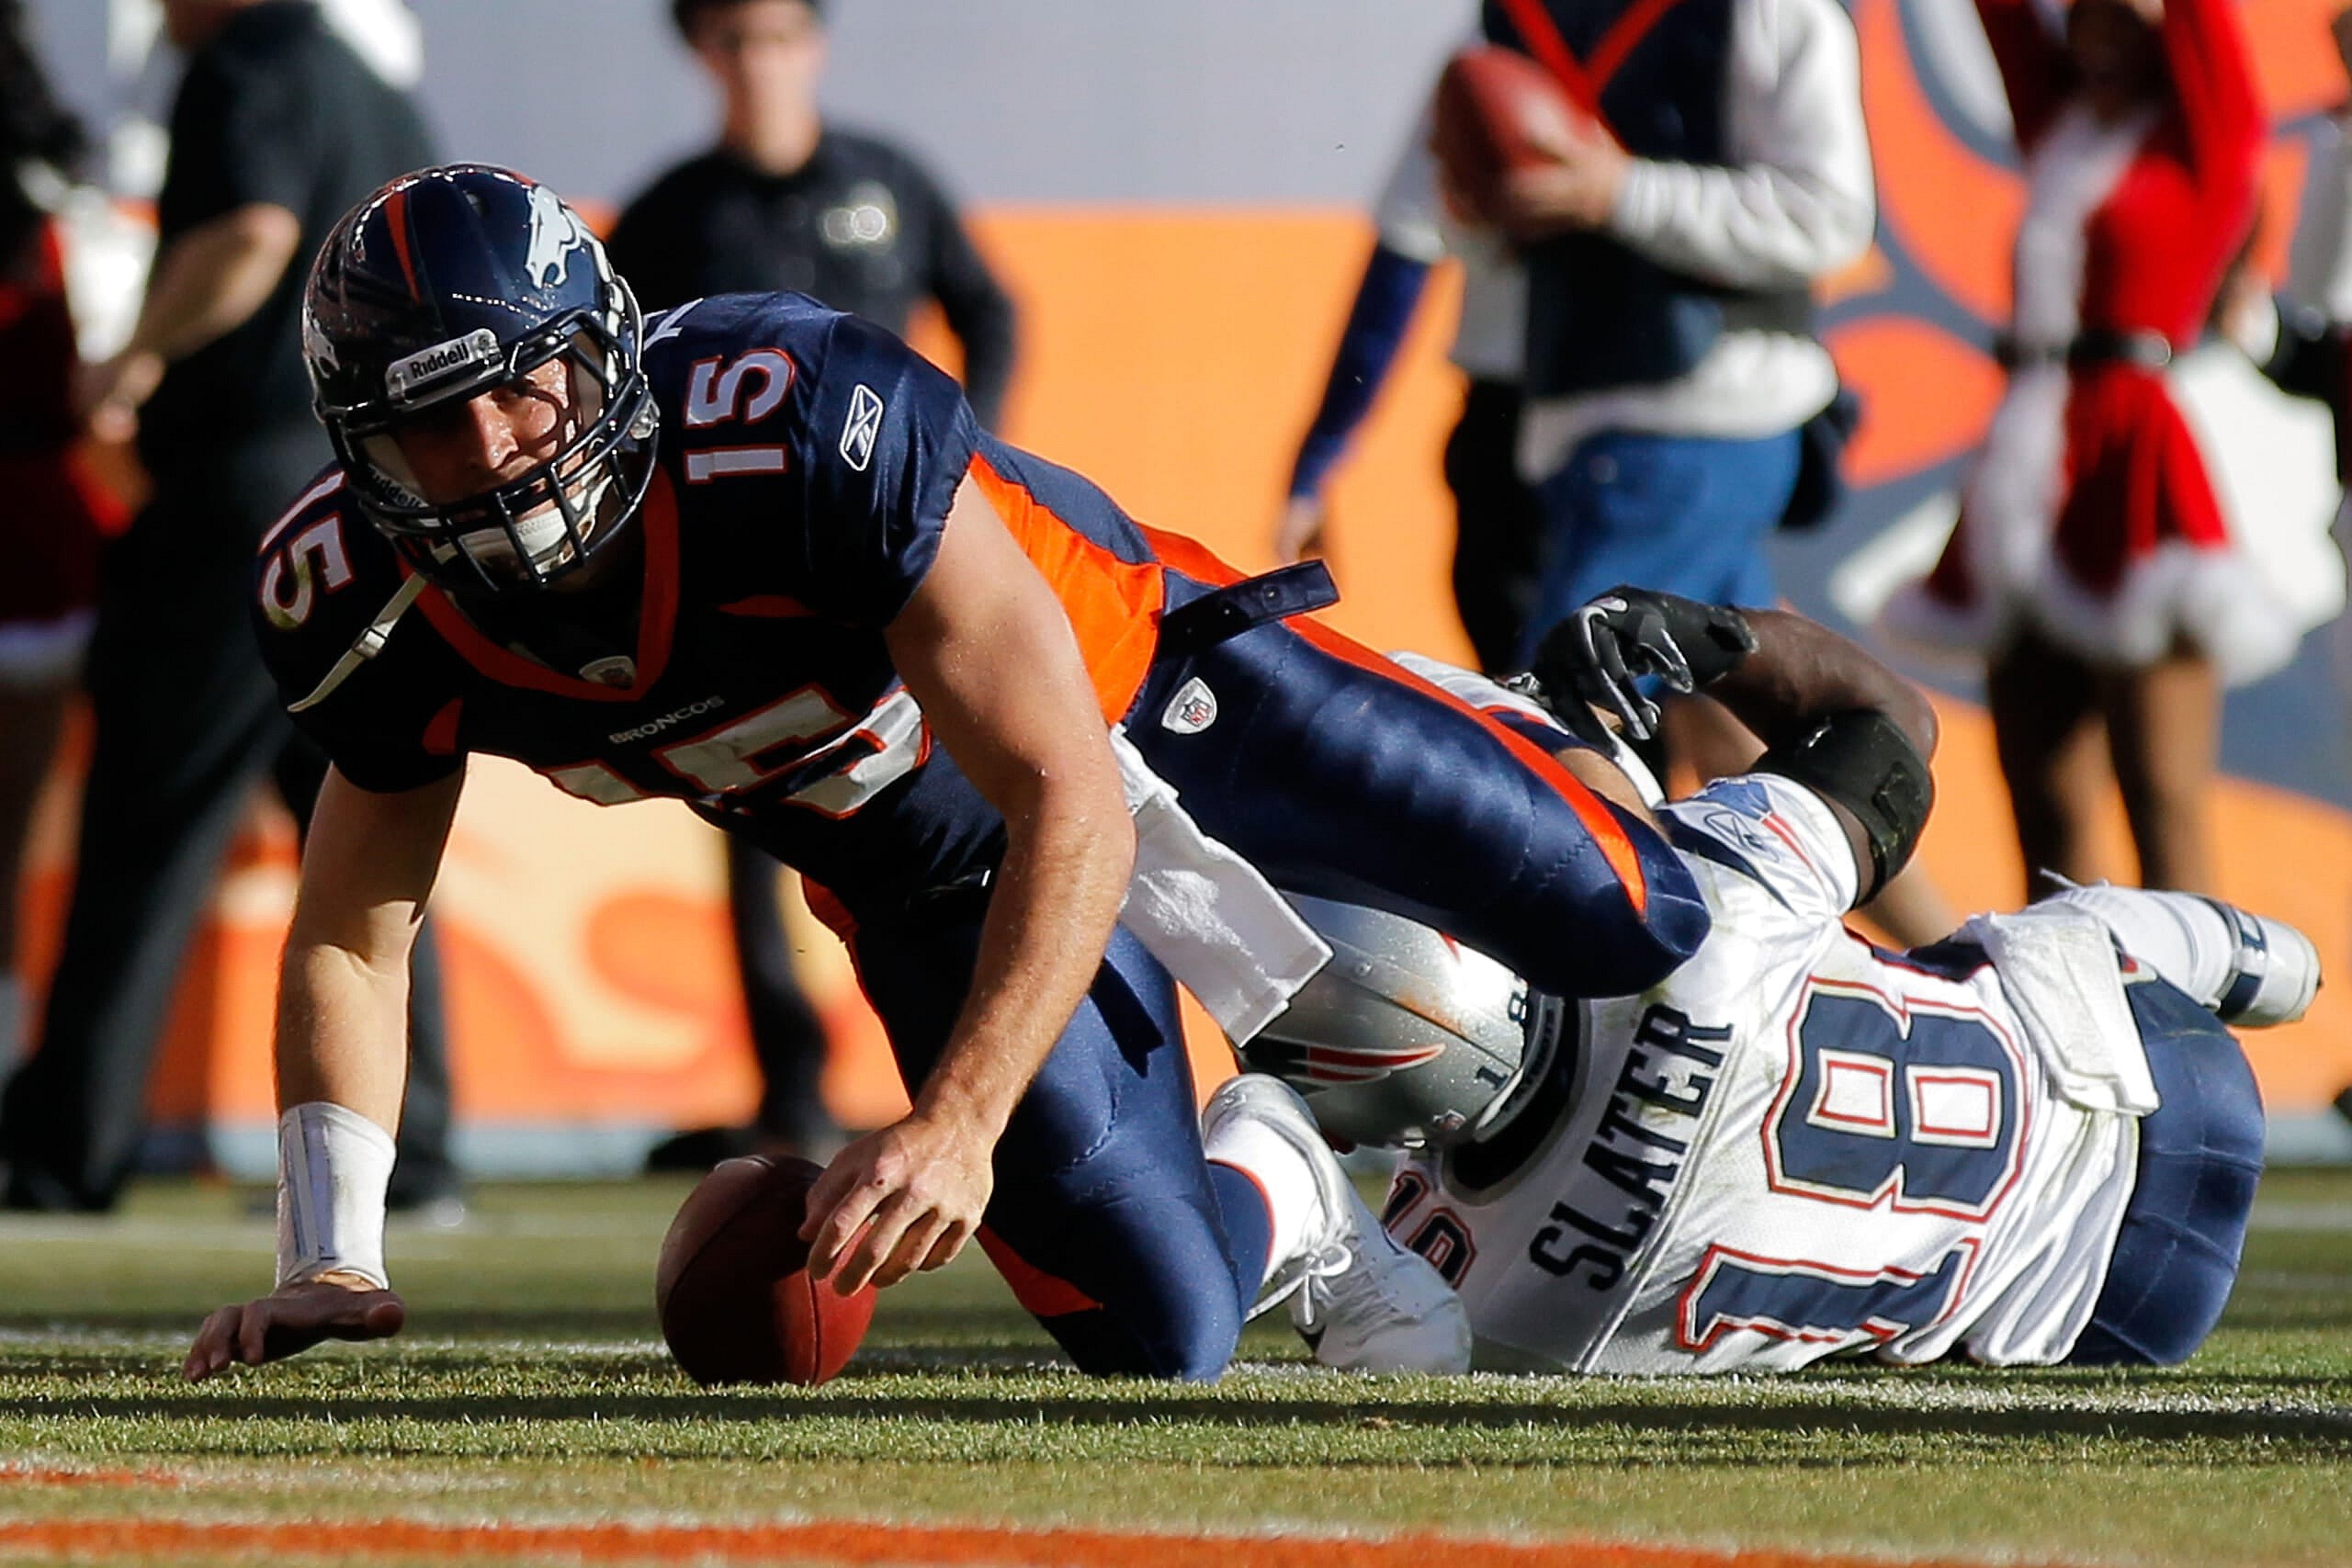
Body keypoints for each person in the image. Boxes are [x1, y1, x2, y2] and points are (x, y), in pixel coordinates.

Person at [177, 164, 1717, 1384]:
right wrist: (331, 1252)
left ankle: (1584, 733)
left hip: (1159, 696)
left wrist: (960, 1117)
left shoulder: (789, 423)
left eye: (524, 389)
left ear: (603, 354)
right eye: (436, 428)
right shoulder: (368, 604)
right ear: (365, 455)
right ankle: (1293, 1193)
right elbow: (349, 926)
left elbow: (1068, 784)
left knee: (1635, 917)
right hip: (925, 866)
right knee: (1162, 1341)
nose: (502, 449)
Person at [1283, 589, 2316, 1372]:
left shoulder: (1500, 1309)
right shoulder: (1699, 917)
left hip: (2098, 1317)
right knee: (2091, 943)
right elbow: (1888, 724)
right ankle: (2279, 967)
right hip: (2150, 1058)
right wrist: (1709, 638)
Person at [0, 0, 458, 1215]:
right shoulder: (366, 83)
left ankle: (64, 1145)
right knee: (373, 817)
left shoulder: (249, 63)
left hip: (243, 511)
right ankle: (413, 1142)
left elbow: (249, 233)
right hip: (369, 498)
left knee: (148, 815)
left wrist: (133, 354)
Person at [608, 0, 1019, 1167]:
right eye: (736, 39)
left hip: (894, 562)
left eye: (782, 35)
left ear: (817, 43)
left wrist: (962, 461)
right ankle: (790, 1085)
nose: (761, 63)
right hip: (744, 586)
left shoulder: (890, 180)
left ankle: (974, 1072)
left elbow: (990, 308)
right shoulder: (668, 214)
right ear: (701, 51)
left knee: (966, 791)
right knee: (752, 818)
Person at [1882, 0, 2269, 898]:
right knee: (2042, 791)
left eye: (2122, 12)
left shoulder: (2201, 142)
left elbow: (2210, 37)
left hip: (2131, 463)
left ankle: (2192, 1023)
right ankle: (2059, 1009)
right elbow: (2009, 22)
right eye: (2085, 13)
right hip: (2027, 466)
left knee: (2160, 795)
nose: (2098, 29)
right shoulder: (2059, 130)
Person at [1273, 57, 1536, 678]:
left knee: (1559, 705)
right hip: (1700, 420)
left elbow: (1399, 272)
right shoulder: (1505, 41)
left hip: (1533, 428)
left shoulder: (1504, 42)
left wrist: (1319, 460)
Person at [0, 2, 118, 1077]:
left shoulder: (45, 198)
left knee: (14, 841)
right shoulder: (47, 194)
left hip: (32, 534)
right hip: (37, 523)